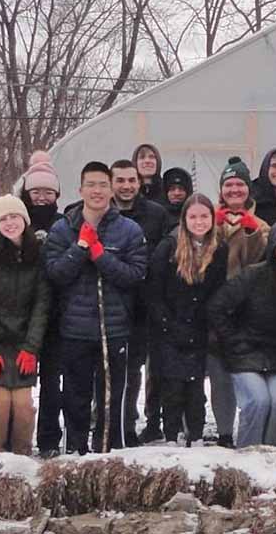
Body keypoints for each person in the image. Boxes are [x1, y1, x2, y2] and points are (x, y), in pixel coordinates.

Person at [45, 161, 149, 454]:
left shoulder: (129, 231)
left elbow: (135, 275)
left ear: (112, 189)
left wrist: (101, 256)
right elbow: (55, 274)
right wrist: (79, 248)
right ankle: (76, 452)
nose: (97, 191)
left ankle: (108, 452)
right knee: (75, 397)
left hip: (114, 329)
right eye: (91, 184)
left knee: (111, 398)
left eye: (103, 184)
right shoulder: (63, 228)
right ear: (80, 189)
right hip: (74, 330)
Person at [209, 222, 276, 447]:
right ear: (273, 250)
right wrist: (234, 341)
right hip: (245, 352)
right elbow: (216, 307)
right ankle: (248, 454)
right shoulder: (254, 275)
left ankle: (270, 454)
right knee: (258, 401)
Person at [0, 195, 51, 455]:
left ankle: (22, 456)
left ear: (24, 220)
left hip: (24, 341)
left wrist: (31, 348)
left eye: (14, 216)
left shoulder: (37, 255)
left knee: (24, 405)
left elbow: (42, 305)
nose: (9, 223)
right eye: (3, 219)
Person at [147, 194, 229, 446]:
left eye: (204, 216)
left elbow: (217, 290)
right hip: (169, 327)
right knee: (172, 386)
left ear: (212, 219)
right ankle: (171, 435)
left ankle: (196, 436)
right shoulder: (168, 247)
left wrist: (208, 321)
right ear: (184, 219)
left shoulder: (219, 248)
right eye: (193, 217)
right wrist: (167, 324)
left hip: (199, 326)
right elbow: (153, 291)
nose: (199, 222)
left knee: (195, 389)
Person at [209, 156, 271, 447]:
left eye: (240, 184)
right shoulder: (207, 219)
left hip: (246, 313)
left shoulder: (261, 225)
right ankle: (223, 433)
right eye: (229, 184)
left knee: (245, 373)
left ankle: (251, 432)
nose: (234, 190)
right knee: (218, 373)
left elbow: (261, 264)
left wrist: (252, 233)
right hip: (213, 309)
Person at [110, 159, 170, 444]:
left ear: (139, 182)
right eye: (120, 180)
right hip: (113, 302)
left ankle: (141, 422)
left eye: (131, 180)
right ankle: (115, 422)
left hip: (147, 302)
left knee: (144, 367)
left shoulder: (156, 214)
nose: (126, 186)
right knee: (118, 368)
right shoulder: (103, 214)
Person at [18, 151, 66, 457]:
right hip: (21, 313)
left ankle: (49, 439)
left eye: (48, 192)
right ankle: (17, 439)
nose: (42, 197)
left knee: (52, 382)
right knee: (19, 384)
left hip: (58, 315)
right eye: (36, 191)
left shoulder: (64, 224)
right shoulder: (15, 222)